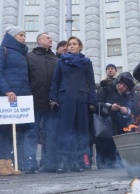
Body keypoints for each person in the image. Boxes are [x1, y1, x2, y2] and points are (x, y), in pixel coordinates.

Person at [49, 36, 96, 173]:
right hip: (65, 99)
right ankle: (62, 161)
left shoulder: (86, 62)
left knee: (80, 131)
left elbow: (91, 82)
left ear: (80, 47)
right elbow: (56, 80)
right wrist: (53, 98)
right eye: (69, 44)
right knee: (64, 131)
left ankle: (78, 162)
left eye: (74, 44)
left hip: (81, 99)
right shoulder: (61, 61)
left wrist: (92, 101)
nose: (71, 46)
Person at [0, 26, 36, 175]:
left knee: (15, 132)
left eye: (24, 35)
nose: (23, 38)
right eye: (21, 35)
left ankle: (11, 163)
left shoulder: (22, 54)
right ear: (12, 36)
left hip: (21, 98)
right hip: (7, 97)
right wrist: (6, 90)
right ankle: (2, 163)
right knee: (3, 132)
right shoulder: (3, 50)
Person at [26, 32, 58, 172]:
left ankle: (48, 163)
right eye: (47, 38)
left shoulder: (55, 58)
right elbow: (25, 78)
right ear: (39, 41)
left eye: (51, 38)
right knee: (31, 134)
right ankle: (30, 163)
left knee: (49, 134)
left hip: (51, 104)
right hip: (34, 102)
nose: (51, 39)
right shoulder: (29, 57)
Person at [95, 72, 135, 169]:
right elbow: (95, 105)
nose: (121, 87)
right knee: (103, 151)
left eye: (124, 86)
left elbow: (132, 110)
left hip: (118, 127)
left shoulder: (129, 95)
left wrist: (126, 111)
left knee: (115, 155)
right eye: (120, 83)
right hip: (103, 126)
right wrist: (109, 107)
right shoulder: (106, 88)